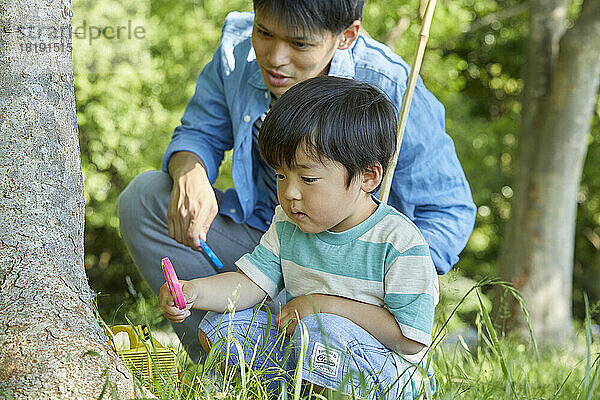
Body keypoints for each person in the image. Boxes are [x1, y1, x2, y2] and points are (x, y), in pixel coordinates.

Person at [117, 0, 475, 361]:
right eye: (264, 32)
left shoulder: (392, 85)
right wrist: (191, 174)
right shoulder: (236, 52)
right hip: (275, 242)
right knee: (145, 198)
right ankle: (232, 368)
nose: (275, 58)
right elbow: (199, 133)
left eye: (300, 44)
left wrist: (372, 279)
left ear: (347, 35)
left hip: (362, 278)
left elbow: (448, 212)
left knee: (333, 334)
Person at [159, 76, 438, 398]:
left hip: (385, 379)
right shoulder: (288, 224)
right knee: (222, 327)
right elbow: (250, 284)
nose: (290, 193)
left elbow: (410, 337)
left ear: (368, 176)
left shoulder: (398, 242)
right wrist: (193, 292)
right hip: (308, 351)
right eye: (280, 175)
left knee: (323, 327)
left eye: (308, 178)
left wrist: (323, 306)